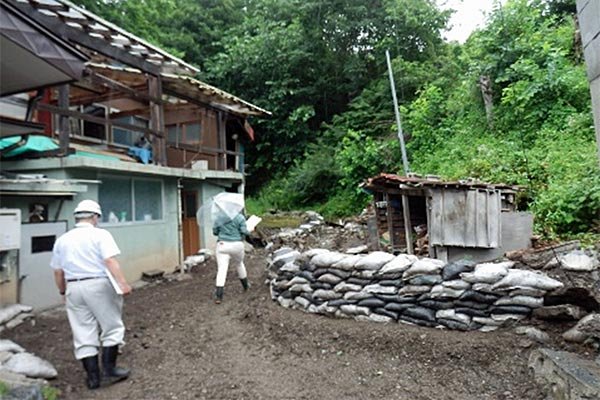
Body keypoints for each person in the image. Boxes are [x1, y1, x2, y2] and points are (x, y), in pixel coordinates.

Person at [50, 199, 132, 390]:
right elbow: (110, 261)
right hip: (98, 284)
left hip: (73, 287)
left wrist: (62, 290)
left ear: (77, 217)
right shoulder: (100, 235)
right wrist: (123, 283)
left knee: (82, 331)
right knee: (111, 326)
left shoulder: (63, 239)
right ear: (95, 217)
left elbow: (57, 271)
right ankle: (109, 370)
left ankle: (93, 378)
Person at [212, 210, 250, 304]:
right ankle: (246, 286)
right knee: (239, 264)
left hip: (222, 245)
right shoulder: (240, 217)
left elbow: (215, 232)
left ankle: (219, 296)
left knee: (222, 269)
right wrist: (249, 230)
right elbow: (244, 231)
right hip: (237, 245)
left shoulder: (219, 218)